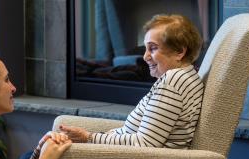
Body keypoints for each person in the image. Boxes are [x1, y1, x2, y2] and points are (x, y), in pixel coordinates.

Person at [60, 14, 204, 149]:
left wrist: (89, 137)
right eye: (145, 48)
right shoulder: (188, 75)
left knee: (55, 146)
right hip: (133, 155)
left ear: (179, 51)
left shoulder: (173, 81)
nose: (145, 57)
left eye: (153, 48)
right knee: (54, 141)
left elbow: (145, 143)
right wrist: (103, 136)